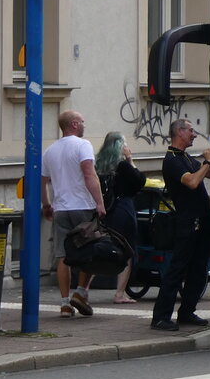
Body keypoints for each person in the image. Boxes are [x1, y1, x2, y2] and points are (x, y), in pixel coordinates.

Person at [41, 110, 106, 318]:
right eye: (83, 121)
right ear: (75, 124)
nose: (85, 124)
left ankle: (64, 303)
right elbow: (89, 173)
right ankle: (81, 292)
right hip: (82, 206)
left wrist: (47, 205)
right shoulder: (83, 145)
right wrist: (99, 202)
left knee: (63, 255)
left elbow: (42, 182)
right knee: (90, 251)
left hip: (61, 209)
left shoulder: (49, 151)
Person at [151, 119, 210, 331]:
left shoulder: (186, 157)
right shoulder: (172, 160)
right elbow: (192, 182)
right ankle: (160, 316)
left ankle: (187, 311)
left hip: (202, 221)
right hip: (188, 223)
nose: (194, 135)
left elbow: (209, 174)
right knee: (177, 269)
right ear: (179, 132)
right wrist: (207, 162)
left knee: (199, 269)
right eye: (191, 130)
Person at [96, 131, 146, 303]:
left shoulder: (98, 164)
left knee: (102, 247)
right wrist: (131, 160)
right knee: (127, 249)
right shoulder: (122, 166)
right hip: (123, 209)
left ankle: (84, 290)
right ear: (120, 146)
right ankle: (119, 293)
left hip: (105, 210)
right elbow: (140, 181)